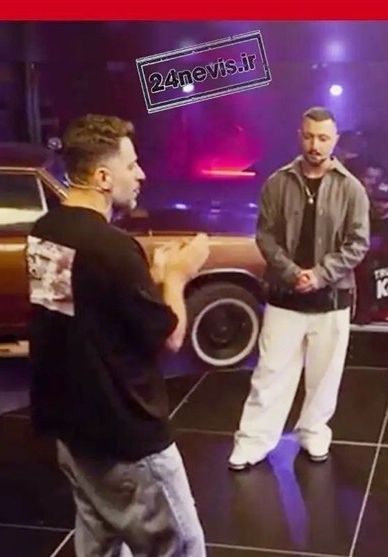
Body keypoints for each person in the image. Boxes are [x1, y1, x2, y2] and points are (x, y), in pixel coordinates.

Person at [25, 114, 209, 557]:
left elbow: (90, 313)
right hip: (125, 436)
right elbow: (169, 339)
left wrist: (149, 279)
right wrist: (177, 277)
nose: (141, 174)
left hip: (73, 430)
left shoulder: (45, 230)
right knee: (182, 547)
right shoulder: (112, 247)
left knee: (100, 544)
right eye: (132, 165)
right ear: (103, 178)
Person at [228, 106, 370, 471]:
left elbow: (358, 244)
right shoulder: (278, 182)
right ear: (299, 136)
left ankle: (314, 432)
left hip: (332, 298)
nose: (315, 145)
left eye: (322, 138)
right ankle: (253, 441)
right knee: (270, 373)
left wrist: (320, 275)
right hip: (284, 296)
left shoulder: (351, 188)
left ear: (335, 140)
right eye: (308, 137)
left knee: (324, 377)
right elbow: (265, 236)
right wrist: (292, 273)